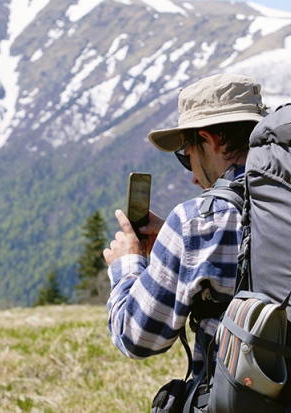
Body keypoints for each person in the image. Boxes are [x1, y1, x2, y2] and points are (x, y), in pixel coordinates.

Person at [103, 73, 267, 379]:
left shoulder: (197, 223)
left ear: (210, 140)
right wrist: (174, 243)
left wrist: (128, 264)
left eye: (187, 156)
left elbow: (136, 336)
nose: (192, 176)